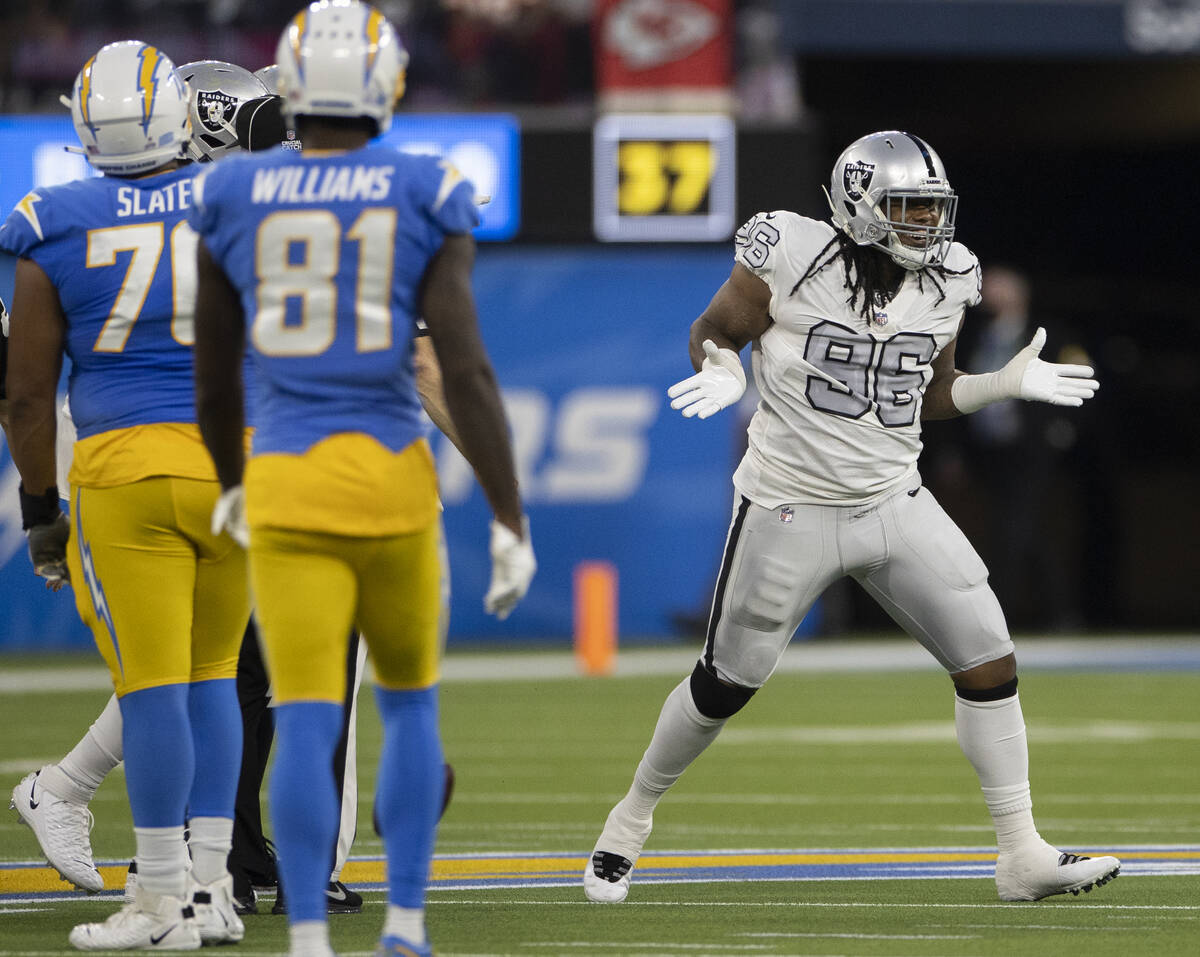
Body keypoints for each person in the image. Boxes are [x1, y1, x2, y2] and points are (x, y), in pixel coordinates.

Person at [583, 130, 1118, 906]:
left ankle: (1022, 853)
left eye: (932, 208)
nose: (924, 224)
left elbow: (930, 393)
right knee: (724, 684)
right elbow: (715, 329)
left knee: (990, 659)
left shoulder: (951, 277)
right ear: (859, 203)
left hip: (892, 498)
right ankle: (627, 821)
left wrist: (1002, 382)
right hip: (788, 503)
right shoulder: (791, 251)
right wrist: (724, 366)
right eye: (906, 206)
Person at [188, 4, 535, 957]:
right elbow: (461, 368)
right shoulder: (426, 186)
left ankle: (306, 935)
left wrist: (227, 481)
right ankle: (407, 926)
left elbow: (213, 372)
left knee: (298, 717)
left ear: (292, 86)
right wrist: (508, 513)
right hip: (389, 478)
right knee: (408, 705)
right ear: (385, 84)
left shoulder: (235, 191)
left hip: (286, 476)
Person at [1, 41, 248, 949]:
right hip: (236, 466)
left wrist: (40, 513)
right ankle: (212, 891)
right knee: (215, 677)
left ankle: (162, 899)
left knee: (152, 690)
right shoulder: (241, 199)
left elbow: (26, 392)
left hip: (127, 475)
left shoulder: (51, 217)